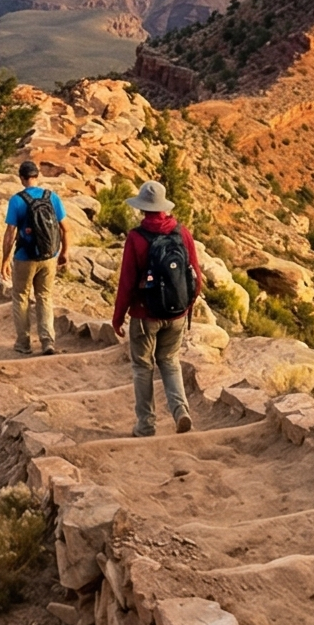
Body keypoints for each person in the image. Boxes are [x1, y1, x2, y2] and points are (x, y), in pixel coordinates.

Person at [110, 180, 199, 435]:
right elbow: (195, 276)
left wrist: (118, 317)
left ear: (143, 208)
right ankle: (181, 411)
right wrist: (186, 306)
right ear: (163, 206)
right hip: (177, 314)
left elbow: (126, 282)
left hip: (144, 315)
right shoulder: (182, 233)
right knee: (170, 361)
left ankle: (146, 425)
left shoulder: (137, 238)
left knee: (142, 367)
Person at [0, 160, 68, 355]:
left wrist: (5, 260)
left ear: (22, 178)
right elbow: (66, 228)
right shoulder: (52, 197)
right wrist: (64, 252)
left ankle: (23, 343)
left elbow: (10, 233)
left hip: (24, 257)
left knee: (21, 297)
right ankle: (48, 341)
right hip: (49, 256)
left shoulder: (17, 200)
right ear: (38, 176)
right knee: (44, 297)